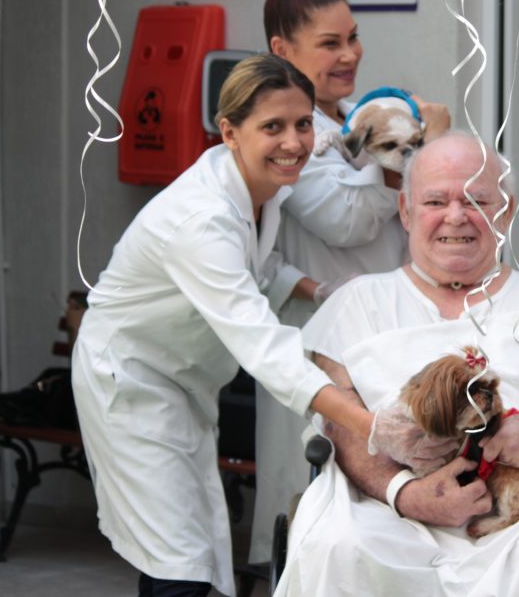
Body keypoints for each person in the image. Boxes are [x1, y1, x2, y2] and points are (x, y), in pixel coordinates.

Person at [275, 134, 519, 597]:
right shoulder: (357, 302)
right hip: (388, 515)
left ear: (505, 211)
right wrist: (405, 493)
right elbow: (340, 424)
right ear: (405, 211)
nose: (455, 216)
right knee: (334, 545)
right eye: (435, 201)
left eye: (476, 200)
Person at [72, 55, 375, 597]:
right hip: (130, 379)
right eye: (273, 127)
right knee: (177, 555)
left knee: (187, 541)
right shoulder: (201, 219)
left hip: (182, 380)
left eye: (302, 124)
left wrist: (317, 290)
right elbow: (261, 343)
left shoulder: (260, 190)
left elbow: (258, 264)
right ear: (230, 131)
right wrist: (369, 424)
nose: (293, 142)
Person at [248, 0, 453, 563]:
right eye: (330, 44)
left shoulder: (357, 121)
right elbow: (343, 218)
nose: (349, 55)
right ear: (282, 50)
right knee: (315, 495)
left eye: (354, 38)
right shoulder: (289, 133)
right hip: (318, 340)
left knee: (384, 496)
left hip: (383, 330)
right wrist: (417, 153)